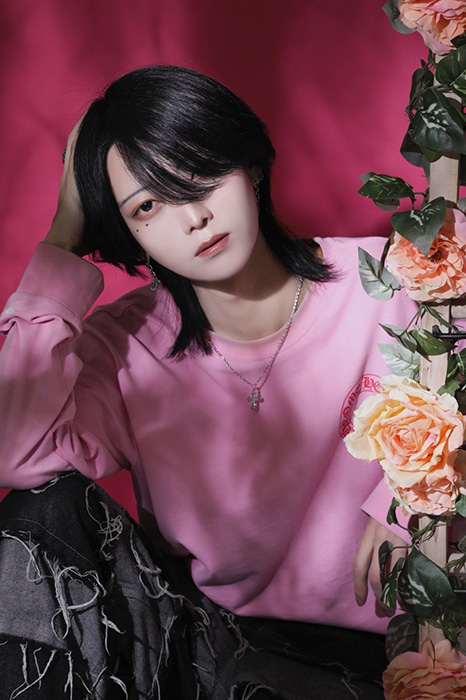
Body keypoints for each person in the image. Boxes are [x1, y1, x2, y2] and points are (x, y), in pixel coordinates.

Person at [0, 65, 411, 699]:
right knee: (41, 512)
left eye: (201, 173)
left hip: (394, 650)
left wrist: (417, 497)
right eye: (147, 206)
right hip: (211, 646)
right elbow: (16, 450)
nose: (193, 217)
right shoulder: (125, 345)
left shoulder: (393, 284)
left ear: (249, 165)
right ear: (126, 231)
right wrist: (63, 236)